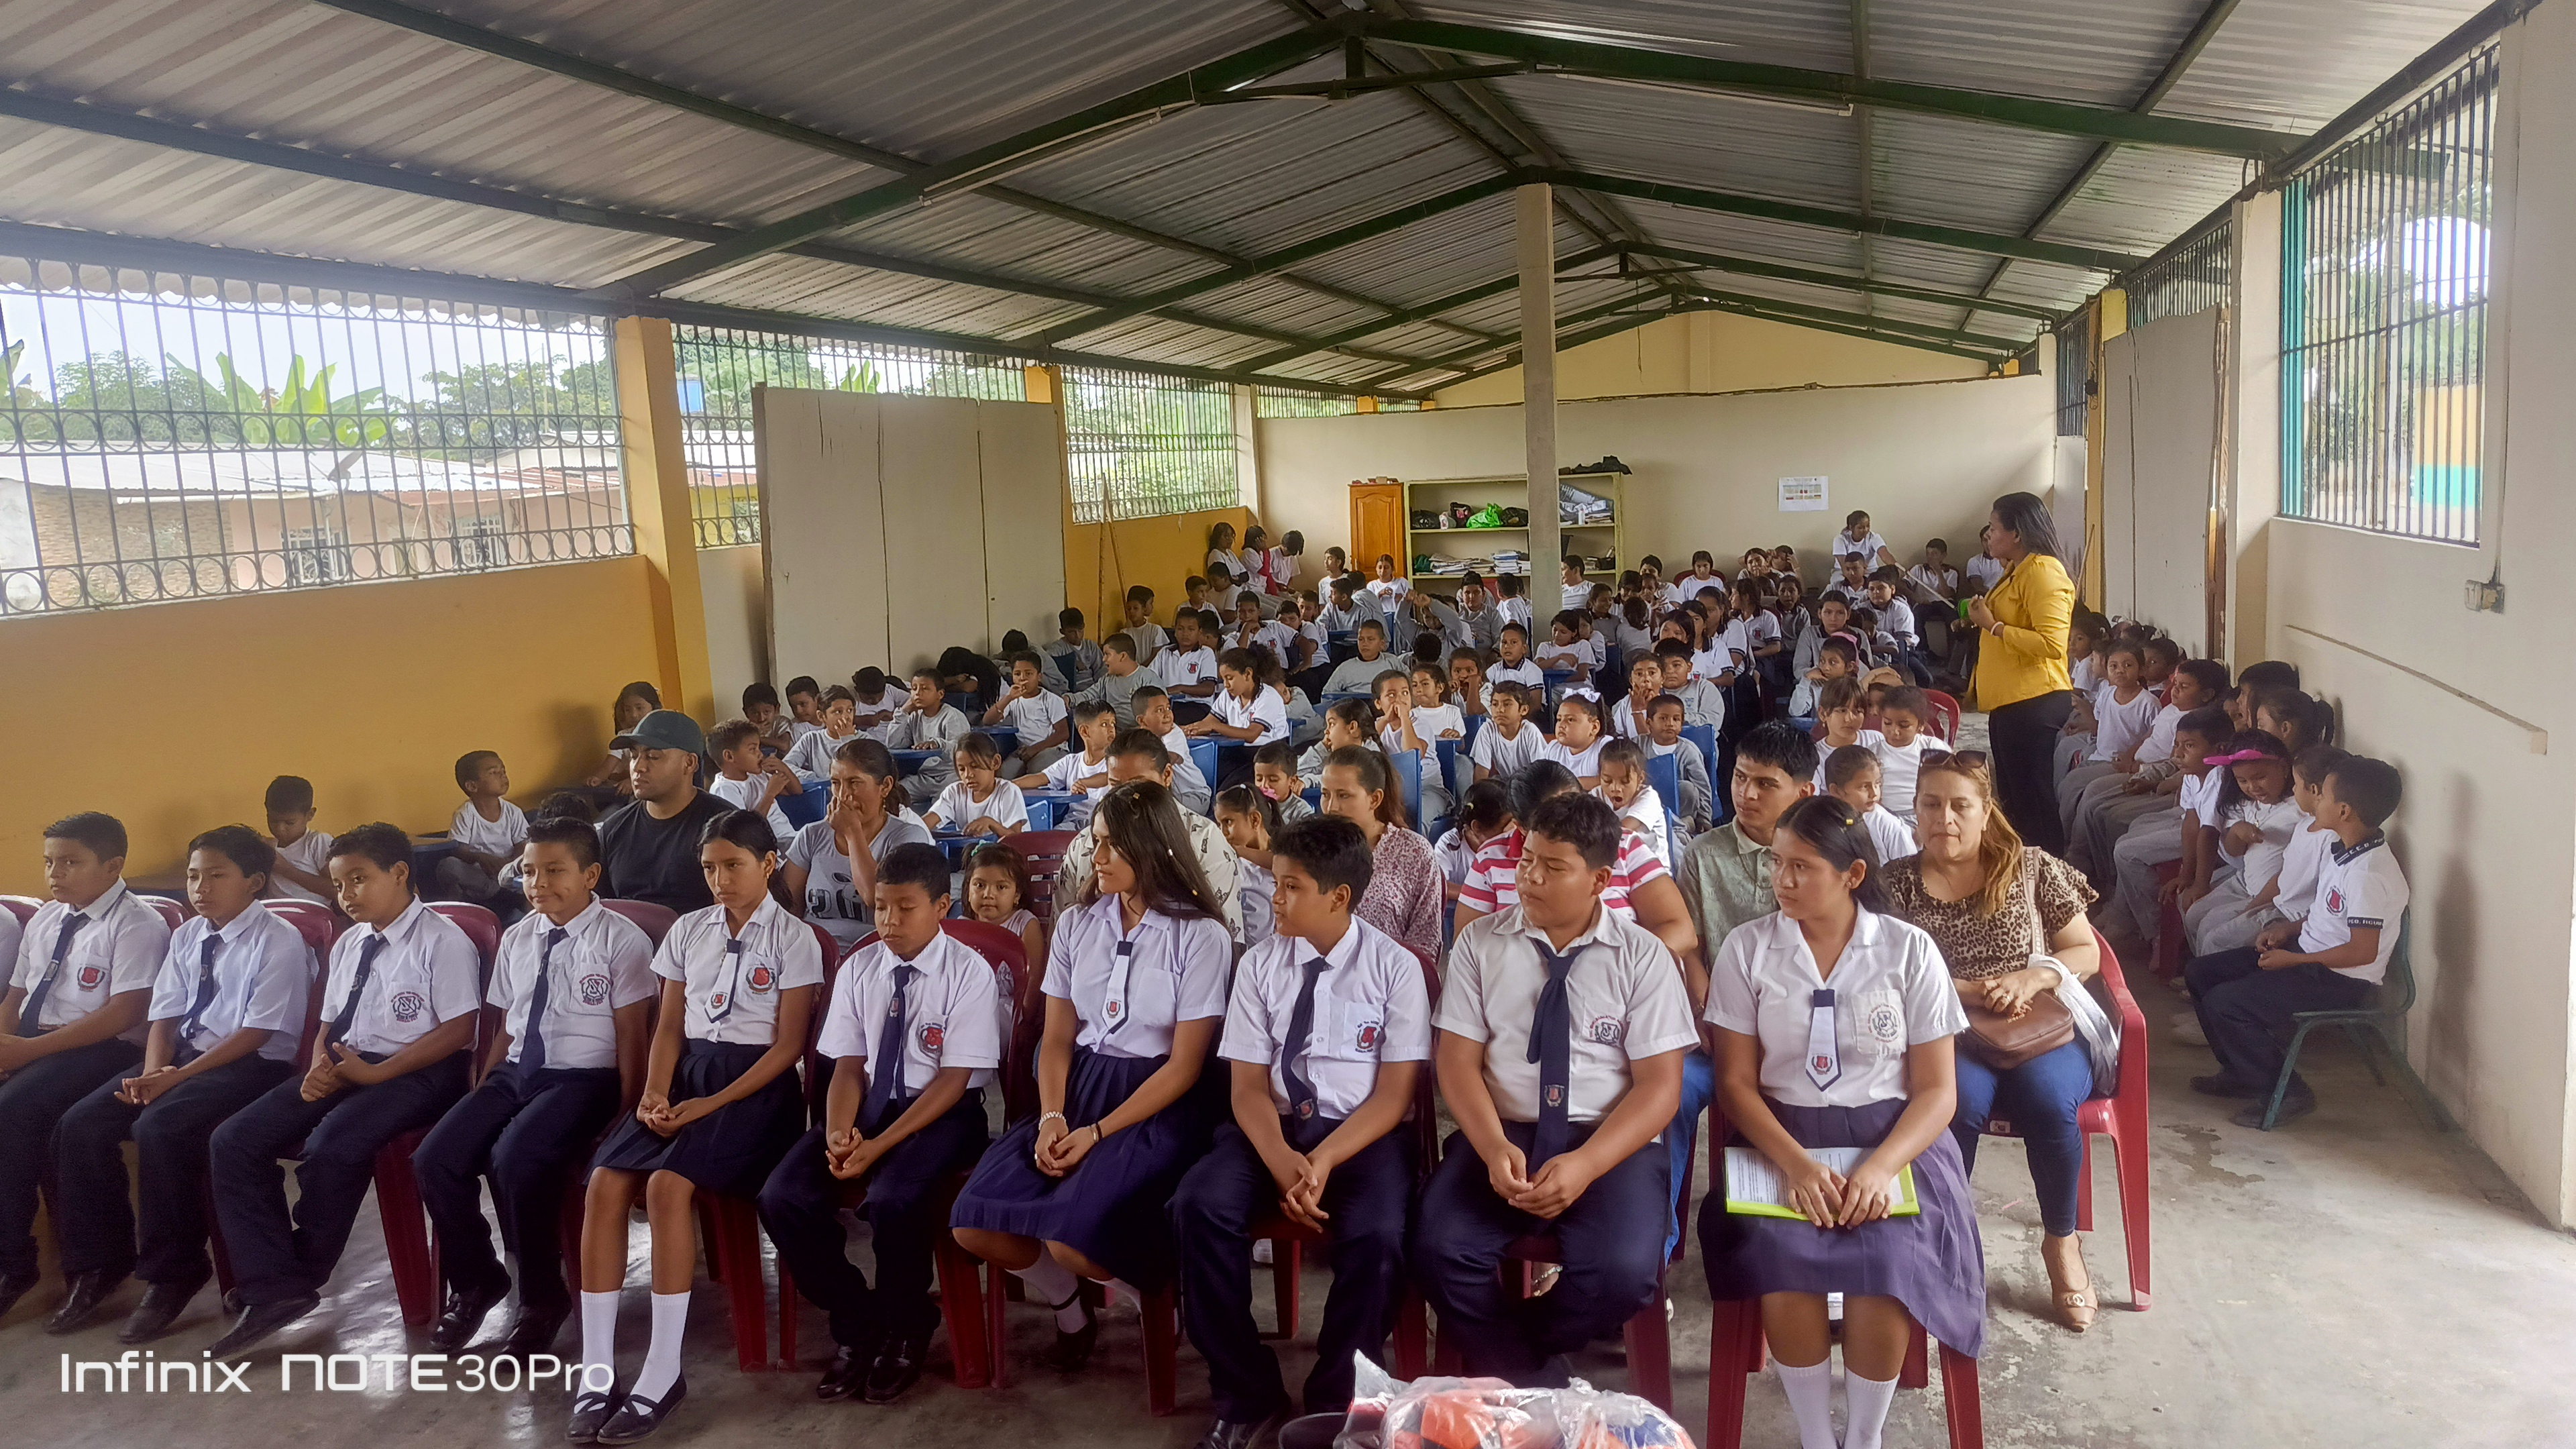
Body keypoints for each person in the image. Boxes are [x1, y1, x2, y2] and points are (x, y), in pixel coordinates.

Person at [1701, 796, 1982, 1449]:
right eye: (1777, 863)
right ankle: (1815, 1437)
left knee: (1888, 1259)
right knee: (1782, 1256)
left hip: (1895, 1138)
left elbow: (1938, 1092)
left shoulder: (1908, 951)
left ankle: (1863, 1437)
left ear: (1853, 875)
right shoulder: (1749, 949)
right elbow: (1736, 1084)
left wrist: (1881, 1169)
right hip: (1783, 1136)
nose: (1783, 880)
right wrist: (1796, 1167)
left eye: (1802, 867)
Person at [1411, 794, 1692, 1385]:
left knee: (1622, 1273)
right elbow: (1457, 1063)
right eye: (1526, 861)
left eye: (1553, 867)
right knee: (1436, 1247)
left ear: (1600, 880)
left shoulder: (1643, 957)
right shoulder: (1481, 944)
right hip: (1506, 1131)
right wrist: (1492, 1148)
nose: (1530, 878)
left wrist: (1586, 1165)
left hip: (1607, 1141)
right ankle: (1538, 1381)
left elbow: (1660, 1089)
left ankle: (1514, 1358)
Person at [951, 782, 1232, 1367]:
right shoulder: (1078, 924)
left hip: (1156, 1102)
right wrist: (1053, 1116)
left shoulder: (1200, 935)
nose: (1095, 856)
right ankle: (1068, 1305)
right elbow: (1057, 1038)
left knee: (1073, 1237)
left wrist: (1099, 1132)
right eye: (1095, 841)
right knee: (974, 1221)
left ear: (1152, 847)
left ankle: (1152, 1297)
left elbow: (1186, 1065)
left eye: (1111, 845)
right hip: (1077, 1091)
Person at [1173, 815, 1430, 1446]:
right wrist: (1281, 1157)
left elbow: (1394, 1097)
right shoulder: (1261, 965)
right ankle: (1246, 1391)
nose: (1276, 899)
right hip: (1274, 1127)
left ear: (1338, 897)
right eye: (1276, 884)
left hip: (1362, 1136)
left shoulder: (1395, 969)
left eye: (1291, 887)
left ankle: (1337, 1396)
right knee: (1198, 1206)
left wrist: (1323, 1161)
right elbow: (1246, 1088)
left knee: (1379, 1235)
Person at [572, 810, 822, 1442]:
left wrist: (710, 1106)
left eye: (733, 865)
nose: (719, 880)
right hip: (686, 1078)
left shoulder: (794, 938)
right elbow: (668, 1028)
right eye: (709, 868)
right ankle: (596, 1370)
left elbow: (787, 1048)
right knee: (604, 1182)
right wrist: (655, 1092)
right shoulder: (688, 930)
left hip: (756, 1092)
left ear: (768, 864)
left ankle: (663, 1370)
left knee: (666, 1186)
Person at [206, 822, 480, 1358]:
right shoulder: (351, 941)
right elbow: (329, 1022)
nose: (347, 894)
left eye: (359, 879)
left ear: (399, 873)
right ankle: (274, 1282)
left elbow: (458, 1030)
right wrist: (318, 1067)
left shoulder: (443, 940)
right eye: (338, 884)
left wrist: (378, 1073)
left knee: (332, 1144)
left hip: (421, 1071)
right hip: (347, 1061)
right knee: (233, 1140)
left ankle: (297, 1275)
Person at [46, 825, 307, 1341]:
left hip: (251, 1064)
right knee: (81, 1123)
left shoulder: (278, 939)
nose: (200, 888)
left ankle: (175, 1272)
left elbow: (257, 1033)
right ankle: (99, 1264)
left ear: (254, 882)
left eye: (216, 876)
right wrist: (151, 1073)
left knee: (161, 1126)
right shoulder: (189, 935)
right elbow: (164, 1017)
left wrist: (176, 1078)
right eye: (192, 876)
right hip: (181, 1057)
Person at [759, 842, 998, 1405]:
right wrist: (840, 1133)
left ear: (941, 906)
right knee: (782, 1195)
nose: (889, 921)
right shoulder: (861, 967)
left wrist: (882, 1144)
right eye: (881, 907)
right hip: (869, 1107)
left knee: (894, 1200)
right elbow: (848, 1066)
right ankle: (856, 1317)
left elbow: (954, 1080)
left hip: (943, 1115)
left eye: (905, 908)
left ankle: (906, 1325)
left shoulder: (969, 973)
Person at [1878, 751, 2104, 1330]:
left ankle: (2062, 1242)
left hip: (2037, 1026)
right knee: (1955, 1106)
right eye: (1931, 805)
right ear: (1914, 810)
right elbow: (1881, 969)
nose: (1945, 819)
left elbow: (2086, 950)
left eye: (1961, 806)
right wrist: (1970, 991)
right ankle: (1945, 1245)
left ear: (1986, 811)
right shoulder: (1894, 883)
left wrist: (2033, 977)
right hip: (1947, 1030)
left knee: (2050, 1102)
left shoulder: (2030, 868)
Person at [415, 816, 657, 1356]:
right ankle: (477, 1281)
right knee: (435, 1158)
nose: (538, 883)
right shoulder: (518, 937)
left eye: (554, 871)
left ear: (590, 875)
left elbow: (633, 1036)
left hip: (583, 1079)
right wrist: (484, 1090)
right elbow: (507, 1026)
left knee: (516, 1159)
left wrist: (627, 1114)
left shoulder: (622, 941)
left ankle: (542, 1299)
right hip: (516, 1072)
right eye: (528, 872)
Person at [0, 810, 171, 1320]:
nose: (55, 874)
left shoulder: (137, 923)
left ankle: (17, 1263)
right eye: (49, 862)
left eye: (71, 863)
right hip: (41, 1043)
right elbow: (16, 997)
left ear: (113, 866)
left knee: (14, 1113)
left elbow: (125, 1013)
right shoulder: (47, 919)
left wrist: (26, 1053)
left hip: (106, 1048)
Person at [2186, 757, 2408, 1129]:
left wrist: (2293, 961)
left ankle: (2288, 1092)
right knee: (2202, 973)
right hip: (2308, 954)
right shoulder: (2344, 850)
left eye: (2324, 796)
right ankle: (2241, 1072)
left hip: (2339, 979)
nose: (2314, 800)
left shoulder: (2367, 874)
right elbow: (2331, 915)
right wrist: (2289, 931)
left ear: (2343, 811)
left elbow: (2362, 952)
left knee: (2227, 1004)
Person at [1964, 491, 2078, 852]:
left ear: (2016, 533)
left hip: (2035, 699)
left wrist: (1994, 626)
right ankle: (2020, 868)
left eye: (1994, 528)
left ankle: (2048, 870)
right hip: (2011, 700)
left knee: (2034, 801)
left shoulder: (2043, 571)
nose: (1989, 535)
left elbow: (2051, 643)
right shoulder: (2015, 570)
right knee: (2014, 798)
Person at [1054, 732, 1246, 940]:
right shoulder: (1085, 845)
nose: (1126, 796)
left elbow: (1227, 935)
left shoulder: (1204, 841)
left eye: (1139, 785)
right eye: (1116, 785)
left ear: (1167, 775)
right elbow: (1062, 931)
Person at [783, 738, 936, 953]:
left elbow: (876, 898)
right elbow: (789, 910)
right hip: (814, 954)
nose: (843, 795)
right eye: (836, 783)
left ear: (885, 786)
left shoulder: (908, 836)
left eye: (854, 783)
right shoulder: (812, 835)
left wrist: (852, 834)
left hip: (877, 956)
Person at [597, 710, 735, 916]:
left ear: (689, 763)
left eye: (653, 756)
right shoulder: (613, 829)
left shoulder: (725, 825)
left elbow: (738, 911)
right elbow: (601, 908)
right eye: (634, 756)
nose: (638, 767)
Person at [1318, 745, 1446, 965]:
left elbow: (1426, 937)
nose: (1331, 807)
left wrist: (1391, 976)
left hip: (1391, 976)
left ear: (1375, 799)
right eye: (1325, 794)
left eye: (1344, 795)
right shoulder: (1313, 849)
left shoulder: (1414, 851)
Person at [2182, 732, 2302, 956]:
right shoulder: (2248, 804)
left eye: (2260, 777)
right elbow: (2233, 850)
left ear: (2284, 769)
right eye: (2243, 781)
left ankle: (2209, 970)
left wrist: (2252, 907)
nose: (2253, 787)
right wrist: (2237, 831)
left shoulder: (2298, 809)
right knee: (2193, 915)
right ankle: (2200, 963)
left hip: (2272, 895)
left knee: (2211, 930)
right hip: (2244, 882)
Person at [441, 749, 529, 906]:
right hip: (480, 876)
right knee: (448, 866)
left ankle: (504, 891)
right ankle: (497, 892)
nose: (503, 776)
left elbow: (522, 845)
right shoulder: (465, 814)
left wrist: (510, 864)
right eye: (494, 772)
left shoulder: (513, 812)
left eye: (503, 771)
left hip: (508, 871)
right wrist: (481, 858)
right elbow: (459, 850)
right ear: (472, 786)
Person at [883, 667, 972, 808]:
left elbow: (961, 750)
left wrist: (938, 744)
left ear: (940, 694)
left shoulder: (953, 716)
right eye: (914, 688)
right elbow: (894, 745)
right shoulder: (914, 717)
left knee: (942, 808)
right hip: (924, 777)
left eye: (925, 689)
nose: (918, 693)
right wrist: (903, 713)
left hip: (951, 776)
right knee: (892, 796)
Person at [706, 718, 800, 842]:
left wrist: (784, 768)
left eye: (759, 748)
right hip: (773, 845)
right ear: (729, 756)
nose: (760, 754)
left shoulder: (757, 777)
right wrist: (770, 794)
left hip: (791, 838)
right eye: (753, 749)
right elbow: (746, 830)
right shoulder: (724, 789)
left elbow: (796, 792)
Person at [1823, 746, 1918, 867]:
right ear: (1836, 791)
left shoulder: (1888, 825)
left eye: (1877, 784)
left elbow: (1908, 869)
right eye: (1864, 787)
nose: (1874, 793)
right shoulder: (1823, 824)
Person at [1867, 686, 1949, 822]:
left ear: (1921, 725)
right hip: (1883, 815)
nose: (1894, 731)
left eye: (1904, 725)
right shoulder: (1872, 753)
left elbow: (1949, 785)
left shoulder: (1933, 748)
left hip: (1925, 815)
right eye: (1887, 723)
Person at [924, 733, 1030, 839]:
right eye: (962, 769)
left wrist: (992, 824)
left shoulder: (1008, 791)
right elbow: (927, 822)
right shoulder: (955, 792)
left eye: (975, 766)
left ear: (995, 762)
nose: (968, 775)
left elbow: (1016, 839)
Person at [1214, 786, 1282, 947]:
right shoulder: (1229, 863)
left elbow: (1281, 863)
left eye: (1228, 822)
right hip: (1243, 953)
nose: (1223, 832)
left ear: (1254, 820)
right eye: (1219, 825)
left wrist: (1239, 851)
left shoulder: (1287, 852)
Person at [986, 649, 1073, 773]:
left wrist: (1035, 749)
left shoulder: (1051, 700)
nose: (1022, 678)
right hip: (1024, 750)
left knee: (1036, 769)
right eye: (1017, 674)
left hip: (1051, 749)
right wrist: (1008, 698)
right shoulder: (1012, 699)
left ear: (1039, 677)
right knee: (1002, 774)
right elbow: (987, 720)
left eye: (1028, 674)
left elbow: (1063, 734)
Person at [263, 775, 335, 906]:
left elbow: (336, 890)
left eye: (289, 823)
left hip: (312, 913)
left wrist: (287, 870)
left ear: (310, 815)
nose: (280, 828)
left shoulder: (317, 842)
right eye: (273, 821)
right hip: (275, 912)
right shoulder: (268, 846)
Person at [583, 682, 662, 801]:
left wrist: (632, 781)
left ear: (654, 708)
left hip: (653, 795)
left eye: (639, 708)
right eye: (628, 710)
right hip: (625, 796)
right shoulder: (623, 736)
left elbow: (660, 770)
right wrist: (598, 778)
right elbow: (610, 764)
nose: (634, 715)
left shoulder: (661, 736)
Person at [1469, 681, 1548, 783]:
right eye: (1495, 704)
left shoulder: (1530, 731)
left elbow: (1541, 773)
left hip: (1530, 785)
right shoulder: (1487, 730)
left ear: (1523, 710)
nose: (1500, 710)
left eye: (1507, 704)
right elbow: (1481, 772)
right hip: (1506, 783)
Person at [1048, 608, 1106, 696]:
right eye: (1072, 632)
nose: (1077, 635)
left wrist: (1101, 689)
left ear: (1084, 626)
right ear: (1062, 632)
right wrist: (1072, 662)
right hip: (1072, 693)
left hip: (1093, 690)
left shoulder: (1091, 646)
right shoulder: (1058, 648)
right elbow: (1048, 665)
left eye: (1080, 630)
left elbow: (1101, 670)